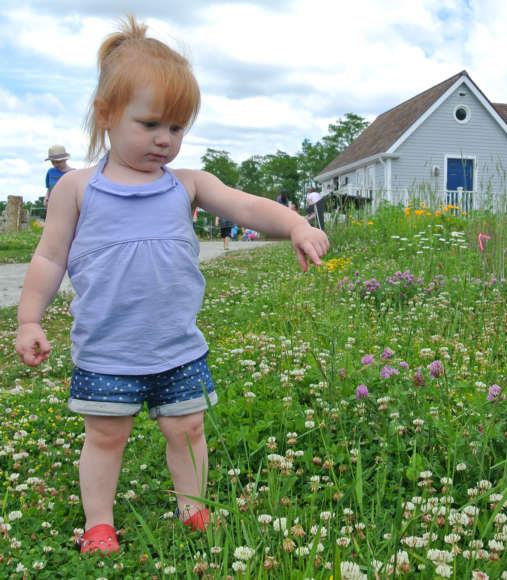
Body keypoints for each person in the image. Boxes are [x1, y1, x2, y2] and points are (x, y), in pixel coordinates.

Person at [14, 15, 329, 555]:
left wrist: (297, 225)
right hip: (107, 351)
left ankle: (193, 509)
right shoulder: (76, 188)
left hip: (177, 349)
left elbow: (248, 206)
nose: (165, 140)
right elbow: (48, 258)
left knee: (187, 432)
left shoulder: (188, 185)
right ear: (107, 115)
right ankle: (99, 524)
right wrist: (29, 318)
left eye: (177, 129)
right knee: (105, 437)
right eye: (151, 124)